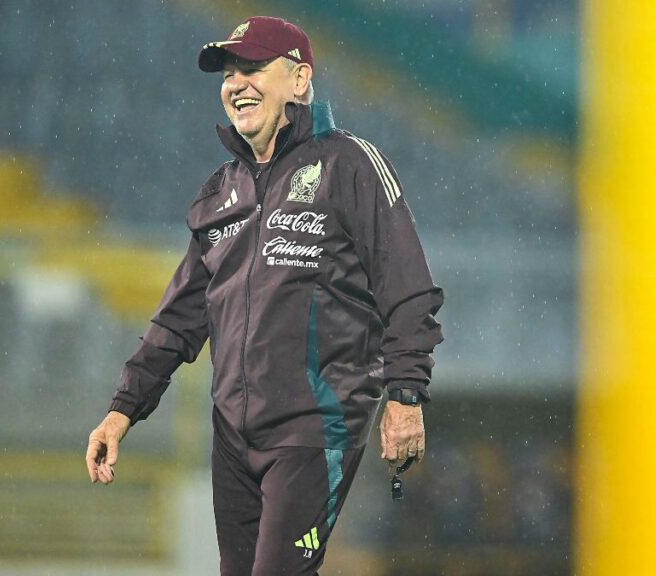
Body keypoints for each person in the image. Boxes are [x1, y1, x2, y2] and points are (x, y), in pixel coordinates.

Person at [85, 16, 444, 575]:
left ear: (299, 80)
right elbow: (178, 320)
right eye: (229, 72)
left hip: (315, 428)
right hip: (232, 436)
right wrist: (121, 411)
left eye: (253, 67)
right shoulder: (220, 191)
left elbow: (409, 289)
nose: (235, 83)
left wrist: (405, 396)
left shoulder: (350, 164)